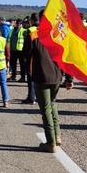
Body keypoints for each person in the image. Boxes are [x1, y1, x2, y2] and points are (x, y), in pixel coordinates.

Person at [30, 10, 64, 153]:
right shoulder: (59, 35)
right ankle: (57, 136)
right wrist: (68, 78)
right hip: (56, 76)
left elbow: (27, 54)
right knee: (53, 105)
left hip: (41, 77)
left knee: (46, 110)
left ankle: (50, 143)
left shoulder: (33, 35)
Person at [21, 16, 38, 104]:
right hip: (44, 58)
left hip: (32, 57)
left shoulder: (30, 30)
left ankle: (31, 97)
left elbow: (27, 46)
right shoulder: (46, 29)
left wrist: (25, 56)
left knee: (31, 78)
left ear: (31, 21)